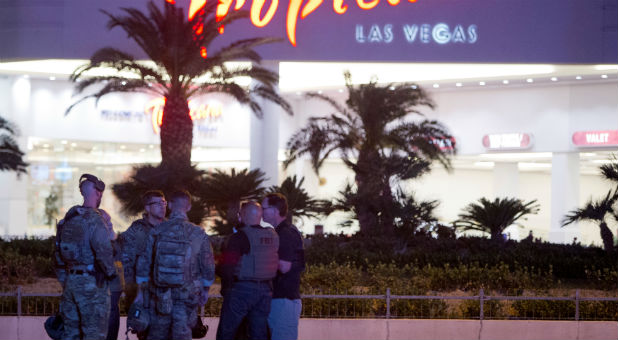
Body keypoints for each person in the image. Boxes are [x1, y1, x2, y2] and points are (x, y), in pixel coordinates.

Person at [136, 190, 215, 340]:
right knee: (182, 332)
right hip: (187, 295)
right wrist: (205, 290)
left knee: (157, 333)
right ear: (189, 207)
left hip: (160, 294)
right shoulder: (198, 233)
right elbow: (208, 266)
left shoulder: (156, 231)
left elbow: (143, 263)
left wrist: (141, 292)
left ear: (170, 205)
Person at [54, 173, 116, 340]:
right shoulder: (96, 220)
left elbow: (57, 255)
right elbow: (104, 252)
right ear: (98, 192)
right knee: (94, 335)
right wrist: (111, 274)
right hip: (93, 286)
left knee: (70, 335)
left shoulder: (68, 219)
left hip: (70, 284)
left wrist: (67, 281)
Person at [216, 201, 279, 340]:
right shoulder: (273, 235)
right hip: (265, 290)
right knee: (259, 333)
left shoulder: (238, 237)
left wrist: (227, 289)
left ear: (242, 215)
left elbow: (227, 268)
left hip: (241, 290)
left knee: (227, 332)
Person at [119, 190, 167, 340]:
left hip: (168, 296)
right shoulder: (136, 231)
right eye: (157, 203)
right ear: (147, 208)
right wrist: (133, 296)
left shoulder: (170, 228)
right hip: (145, 297)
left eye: (164, 202)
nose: (162, 206)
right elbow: (127, 264)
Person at [262, 193, 306, 340]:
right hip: (280, 300)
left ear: (275, 211)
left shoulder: (285, 233)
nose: (261, 212)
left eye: (264, 208)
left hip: (283, 301)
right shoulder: (282, 232)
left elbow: (285, 266)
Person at [99, 209, 124, 340]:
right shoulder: (98, 241)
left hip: (113, 290)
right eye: (105, 221)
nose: (109, 224)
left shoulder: (115, 242)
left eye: (109, 221)